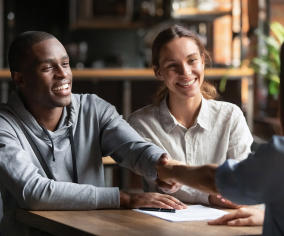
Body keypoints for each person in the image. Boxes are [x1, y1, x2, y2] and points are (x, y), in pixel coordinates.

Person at [0, 31, 186, 236]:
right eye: (47, 68)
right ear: (20, 79)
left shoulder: (93, 108)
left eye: (65, 64)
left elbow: (133, 148)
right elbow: (33, 192)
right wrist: (123, 198)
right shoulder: (4, 125)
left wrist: (160, 165)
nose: (62, 74)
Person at [128, 24, 253, 208]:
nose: (185, 72)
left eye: (192, 60)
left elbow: (243, 180)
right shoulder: (141, 124)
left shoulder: (231, 116)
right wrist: (211, 196)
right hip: (160, 227)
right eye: (172, 65)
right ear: (158, 71)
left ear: (203, 61)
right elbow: (163, 180)